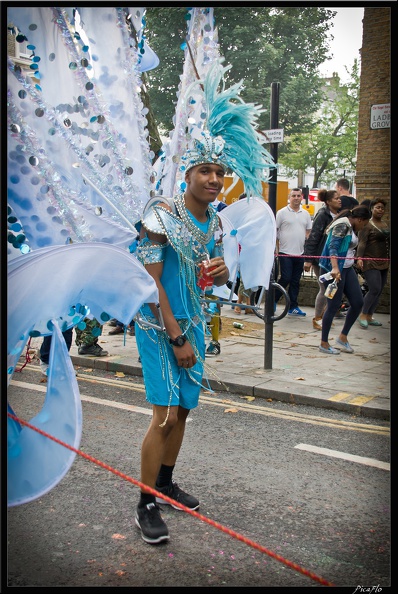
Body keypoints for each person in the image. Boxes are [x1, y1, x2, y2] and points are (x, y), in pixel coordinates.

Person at [318, 204, 371, 354]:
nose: (363, 227)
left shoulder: (351, 226)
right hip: (333, 269)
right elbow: (333, 247)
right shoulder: (343, 225)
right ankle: (324, 343)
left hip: (347, 268)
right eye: (364, 224)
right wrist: (335, 268)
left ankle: (343, 337)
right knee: (333, 305)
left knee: (358, 302)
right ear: (360, 219)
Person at [303, 189, 342, 329]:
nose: (339, 200)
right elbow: (314, 237)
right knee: (324, 288)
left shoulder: (339, 215)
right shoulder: (322, 215)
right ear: (328, 201)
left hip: (333, 259)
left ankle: (326, 317)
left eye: (339, 198)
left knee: (332, 289)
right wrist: (308, 259)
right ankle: (317, 318)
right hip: (320, 259)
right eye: (336, 198)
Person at [274, 188, 312, 316]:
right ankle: (273, 299)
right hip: (285, 252)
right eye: (293, 196)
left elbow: (308, 231)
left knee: (296, 281)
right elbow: (275, 230)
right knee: (285, 278)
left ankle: (293, 307)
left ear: (302, 197)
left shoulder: (305, 214)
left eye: (298, 196)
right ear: (289, 197)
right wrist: (276, 248)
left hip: (300, 253)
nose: (296, 198)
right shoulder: (282, 213)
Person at [356, 198, 390, 328]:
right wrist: (359, 258)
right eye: (378, 207)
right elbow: (362, 242)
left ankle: (370, 315)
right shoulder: (368, 225)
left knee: (379, 290)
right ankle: (363, 314)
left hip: (384, 261)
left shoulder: (385, 224)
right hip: (370, 261)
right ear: (372, 209)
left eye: (382, 208)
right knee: (374, 288)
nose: (380, 210)